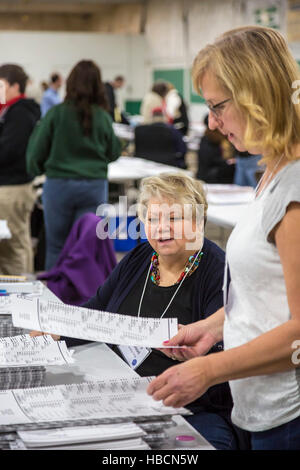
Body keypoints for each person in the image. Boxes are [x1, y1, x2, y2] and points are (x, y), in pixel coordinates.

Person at [147, 26, 300, 451]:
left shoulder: (295, 189)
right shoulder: (273, 172)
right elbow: (266, 295)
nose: (212, 122)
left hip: (288, 413)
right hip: (259, 404)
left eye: (217, 107)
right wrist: (213, 328)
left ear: (256, 95)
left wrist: (211, 370)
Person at [31, 173, 243, 450]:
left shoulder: (217, 272)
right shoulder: (141, 257)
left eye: (173, 219)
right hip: (120, 391)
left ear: (198, 221)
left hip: (191, 406)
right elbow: (98, 309)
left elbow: (223, 354)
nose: (160, 229)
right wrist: (56, 329)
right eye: (152, 219)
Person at [26, 60, 121, 270]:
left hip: (59, 186)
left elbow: (35, 154)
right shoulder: (103, 117)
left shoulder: (56, 114)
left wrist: (41, 170)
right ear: (98, 85)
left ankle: (53, 299)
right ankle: (84, 299)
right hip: (94, 187)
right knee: (87, 247)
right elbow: (114, 152)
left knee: (56, 247)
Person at [0, 64, 41, 274]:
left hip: (12, 187)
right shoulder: (10, 111)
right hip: (11, 186)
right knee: (16, 243)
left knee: (11, 247)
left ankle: (19, 297)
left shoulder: (20, 113)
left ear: (15, 86)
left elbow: (8, 150)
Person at [197, 114, 235, 183]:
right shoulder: (210, 138)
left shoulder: (222, 136)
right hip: (211, 177)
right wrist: (227, 162)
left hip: (218, 174)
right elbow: (209, 159)